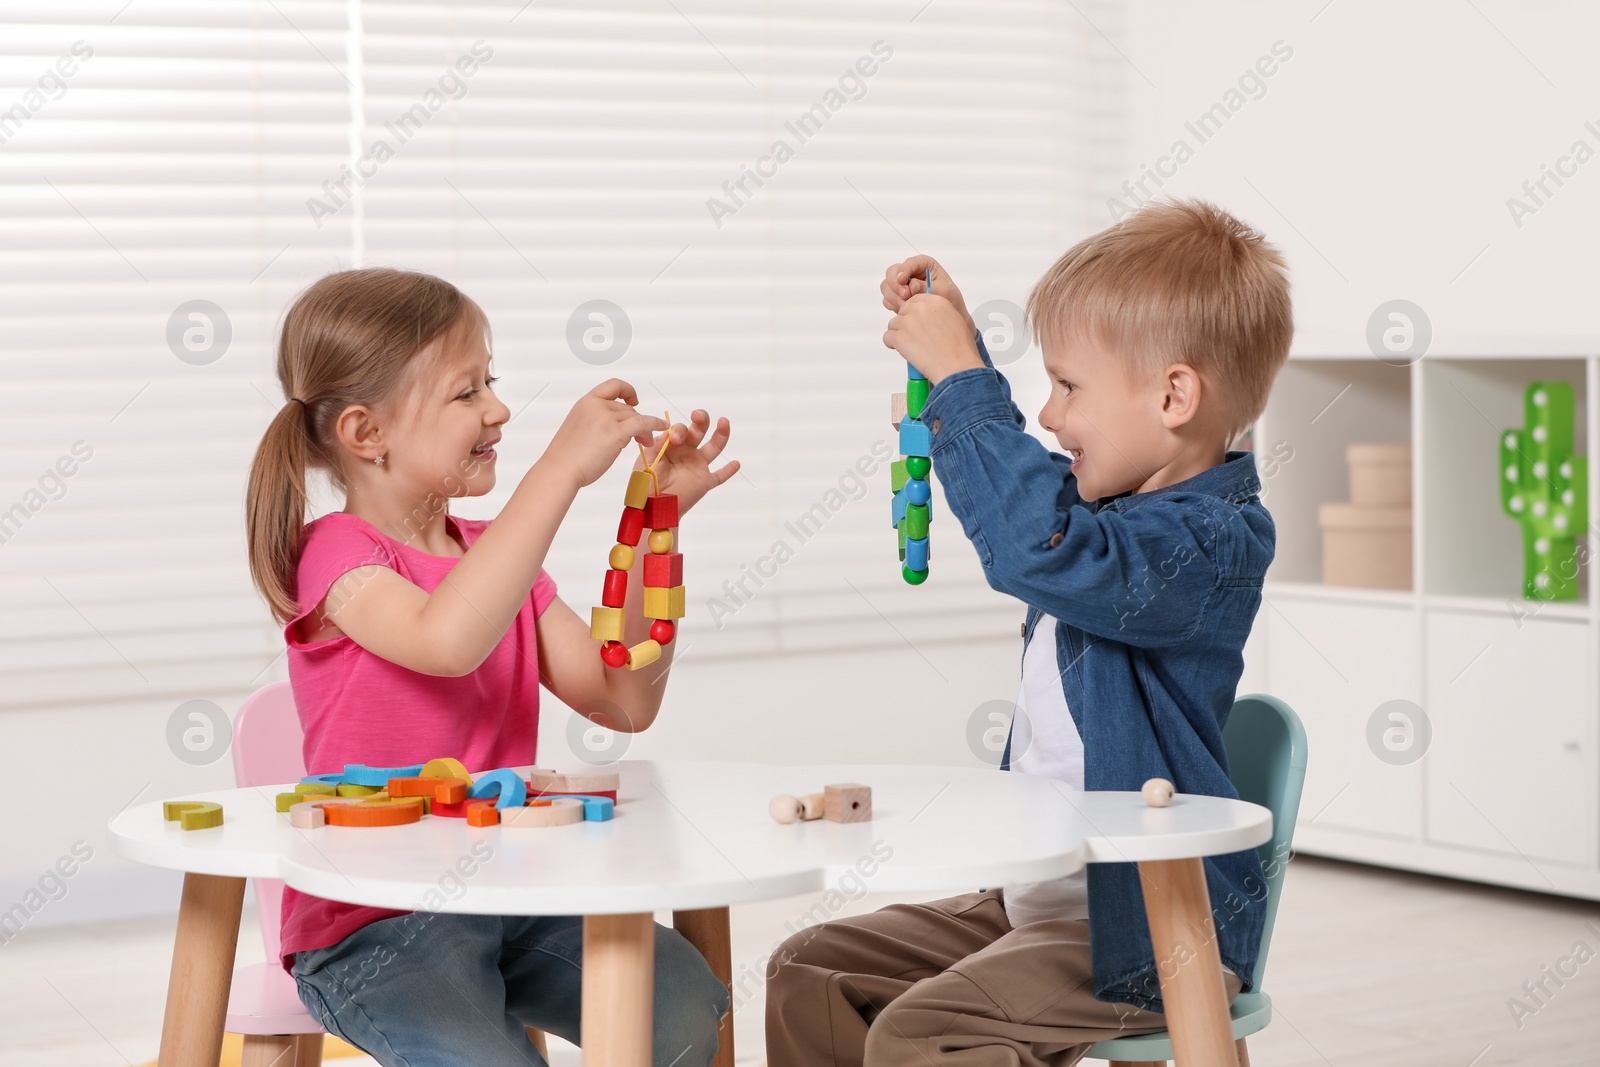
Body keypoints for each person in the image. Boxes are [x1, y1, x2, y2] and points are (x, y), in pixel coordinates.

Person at [765, 198, 1294, 1066]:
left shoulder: (1205, 544)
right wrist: (957, 352)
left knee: (921, 1032)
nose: (1048, 414)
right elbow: (1028, 501)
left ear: (1174, 395)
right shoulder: (1112, 514)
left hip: (1150, 924)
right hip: (1040, 897)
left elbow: (1036, 542)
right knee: (808, 970)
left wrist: (962, 375)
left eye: (1069, 386)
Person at [244, 267, 738, 1066]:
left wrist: (660, 530)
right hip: (374, 923)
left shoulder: (495, 561)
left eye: (492, 382)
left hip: (513, 898)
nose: (499, 409)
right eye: (466, 392)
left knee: (681, 1000)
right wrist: (558, 471)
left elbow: (623, 698)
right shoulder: (336, 558)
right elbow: (447, 641)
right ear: (367, 434)